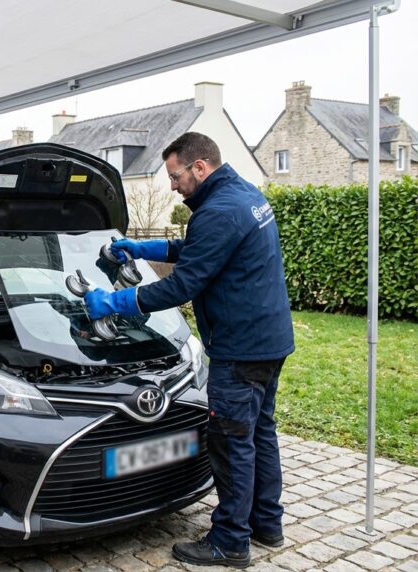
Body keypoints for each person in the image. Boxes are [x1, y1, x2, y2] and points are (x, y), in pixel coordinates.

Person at [84, 132, 295, 569]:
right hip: (269, 341)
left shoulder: (219, 211)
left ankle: (230, 541)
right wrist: (142, 248)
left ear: (200, 167)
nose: (173, 186)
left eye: (176, 176)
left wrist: (114, 302)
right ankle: (267, 523)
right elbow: (198, 252)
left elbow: (184, 283)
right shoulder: (243, 195)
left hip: (239, 348)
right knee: (260, 433)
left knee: (232, 441)